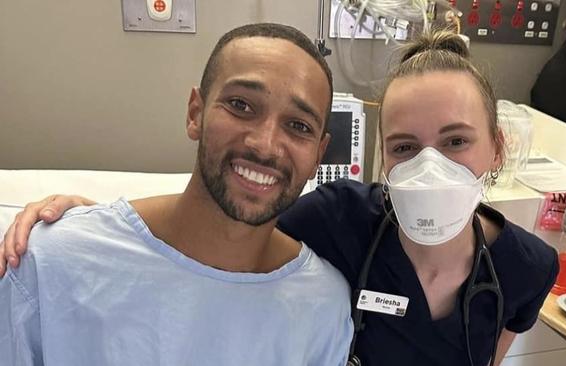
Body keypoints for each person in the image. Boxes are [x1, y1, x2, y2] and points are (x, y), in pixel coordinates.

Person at [0, 28, 558, 366]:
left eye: (456, 140)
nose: (266, 143)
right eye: (405, 145)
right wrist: (86, 222)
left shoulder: (527, 266)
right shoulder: (340, 221)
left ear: (497, 149)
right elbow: (227, 216)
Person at [0, 23, 354, 366]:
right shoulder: (51, 263)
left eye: (298, 126)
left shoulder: (322, 305)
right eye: (241, 105)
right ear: (195, 113)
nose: (264, 145)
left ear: (318, 156)